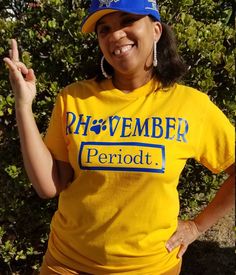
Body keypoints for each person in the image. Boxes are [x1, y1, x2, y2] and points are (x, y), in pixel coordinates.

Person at [3, 0, 235, 274]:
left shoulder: (191, 105)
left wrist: (196, 226)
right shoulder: (74, 98)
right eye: (104, 29)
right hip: (67, 264)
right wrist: (22, 104)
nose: (115, 35)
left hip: (151, 268)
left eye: (128, 21)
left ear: (156, 30)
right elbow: (49, 186)